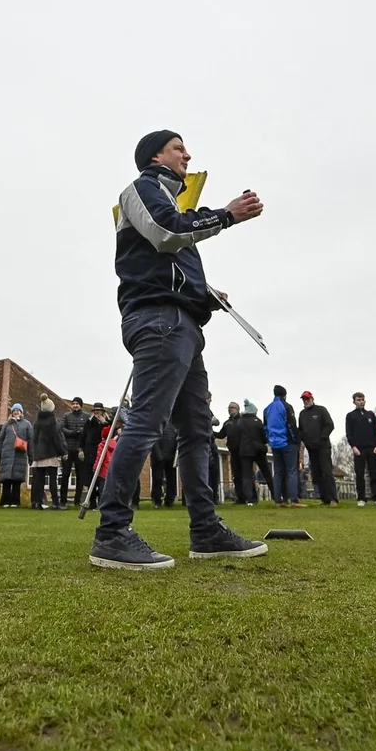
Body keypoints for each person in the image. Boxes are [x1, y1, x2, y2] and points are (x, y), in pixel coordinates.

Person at [87, 130, 267, 569]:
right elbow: (167, 231)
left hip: (181, 323)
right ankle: (111, 534)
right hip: (160, 322)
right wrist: (226, 215)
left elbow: (166, 260)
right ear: (155, 156)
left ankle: (205, 530)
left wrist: (204, 293)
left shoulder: (168, 201)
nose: (187, 154)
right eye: (178, 147)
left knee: (197, 431)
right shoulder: (142, 189)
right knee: (146, 423)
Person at [264, 385, 301, 508]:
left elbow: (266, 428)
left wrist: (270, 441)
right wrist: (296, 440)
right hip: (287, 442)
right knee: (291, 471)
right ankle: (293, 499)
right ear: (285, 395)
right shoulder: (286, 407)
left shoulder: (267, 409)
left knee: (278, 472)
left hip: (274, 444)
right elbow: (291, 425)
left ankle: (278, 500)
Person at [296, 392, 336, 506]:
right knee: (316, 473)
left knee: (327, 471)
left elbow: (329, 425)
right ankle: (324, 498)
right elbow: (301, 430)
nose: (306, 401)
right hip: (311, 448)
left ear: (312, 399)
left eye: (307, 399)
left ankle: (333, 498)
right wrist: (304, 440)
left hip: (323, 446)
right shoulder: (302, 414)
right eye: (304, 399)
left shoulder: (321, 410)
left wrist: (322, 437)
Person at [345, 392, 376, 507]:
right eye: (358, 400)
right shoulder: (350, 416)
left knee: (374, 474)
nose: (361, 402)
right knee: (360, 474)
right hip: (359, 449)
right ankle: (361, 498)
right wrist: (353, 446)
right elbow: (349, 433)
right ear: (354, 402)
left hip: (372, 448)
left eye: (362, 400)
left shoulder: (370, 414)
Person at [30, 396, 66, 510]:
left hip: (39, 454)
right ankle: (55, 503)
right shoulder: (53, 421)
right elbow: (57, 438)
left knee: (38, 480)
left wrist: (34, 452)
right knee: (53, 479)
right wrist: (63, 451)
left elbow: (34, 438)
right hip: (50, 453)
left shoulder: (37, 421)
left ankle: (37, 502)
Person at [0, 403, 33, 509]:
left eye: (18, 410)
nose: (16, 412)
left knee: (17, 480)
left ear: (21, 412)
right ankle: (5, 501)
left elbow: (31, 441)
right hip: (7, 454)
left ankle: (15, 501)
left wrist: (31, 455)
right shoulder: (7, 424)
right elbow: (1, 440)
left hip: (19, 455)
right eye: (14, 410)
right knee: (6, 480)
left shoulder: (27, 424)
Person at [59, 397, 89, 511]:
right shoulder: (66, 416)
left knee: (80, 476)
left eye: (77, 403)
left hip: (80, 449)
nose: (75, 405)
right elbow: (62, 429)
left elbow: (87, 431)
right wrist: (73, 432)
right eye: (73, 403)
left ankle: (77, 501)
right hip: (68, 448)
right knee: (65, 475)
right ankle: (63, 501)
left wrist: (81, 432)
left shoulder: (86, 416)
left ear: (81, 405)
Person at [78, 402, 108, 506]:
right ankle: (92, 502)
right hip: (89, 453)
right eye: (95, 411)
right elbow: (83, 437)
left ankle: (102, 501)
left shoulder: (107, 423)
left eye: (98, 411)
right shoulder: (89, 423)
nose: (96, 413)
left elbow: (109, 435)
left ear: (102, 412)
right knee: (90, 479)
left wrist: (104, 423)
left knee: (101, 478)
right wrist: (80, 450)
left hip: (102, 453)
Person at [149, 420, 179, 508]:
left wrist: (175, 456)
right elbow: (154, 440)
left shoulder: (174, 425)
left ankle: (169, 500)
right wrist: (158, 455)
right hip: (158, 457)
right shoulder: (157, 424)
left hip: (171, 456)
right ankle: (157, 500)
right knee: (157, 479)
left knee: (171, 479)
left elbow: (176, 440)